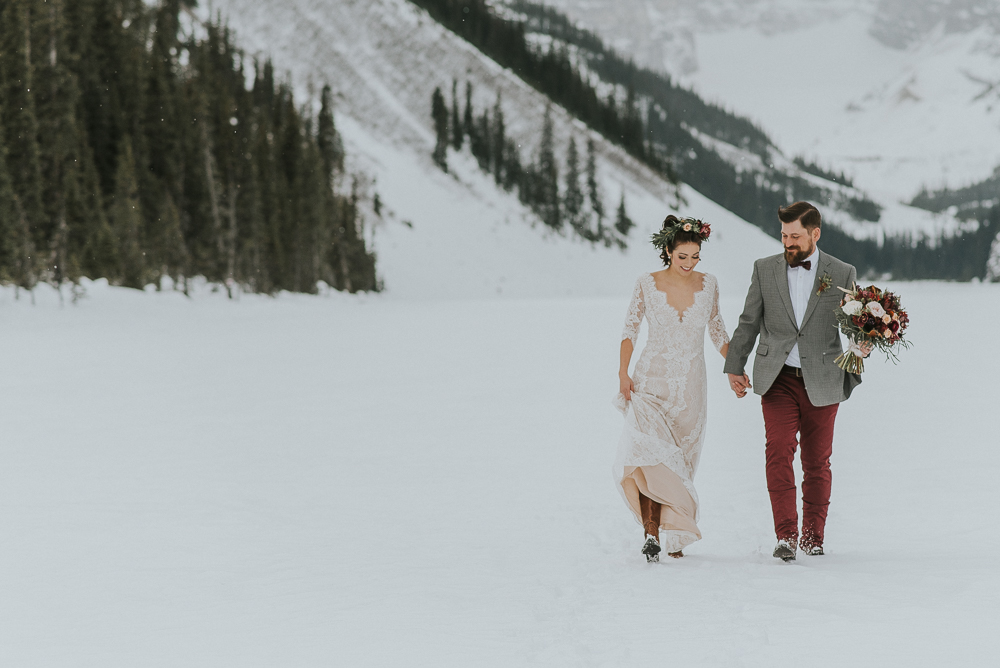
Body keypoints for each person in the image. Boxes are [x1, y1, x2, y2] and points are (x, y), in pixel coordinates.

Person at [723, 201, 866, 562]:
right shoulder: (764, 269)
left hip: (824, 379)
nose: (788, 242)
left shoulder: (843, 271)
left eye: (795, 236)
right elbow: (748, 321)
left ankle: (813, 537)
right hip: (778, 378)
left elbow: (853, 325)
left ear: (815, 234)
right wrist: (733, 366)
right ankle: (786, 535)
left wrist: (863, 345)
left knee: (817, 462)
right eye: (784, 235)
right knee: (778, 451)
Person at [614, 215, 730, 562]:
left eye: (695, 256)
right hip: (650, 382)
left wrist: (736, 367)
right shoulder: (646, 283)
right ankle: (650, 533)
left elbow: (718, 331)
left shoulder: (709, 284)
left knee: (679, 463)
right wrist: (623, 373)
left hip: (692, 388)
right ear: (668, 250)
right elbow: (629, 330)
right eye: (682, 256)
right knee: (649, 457)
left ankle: (674, 532)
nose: (689, 263)